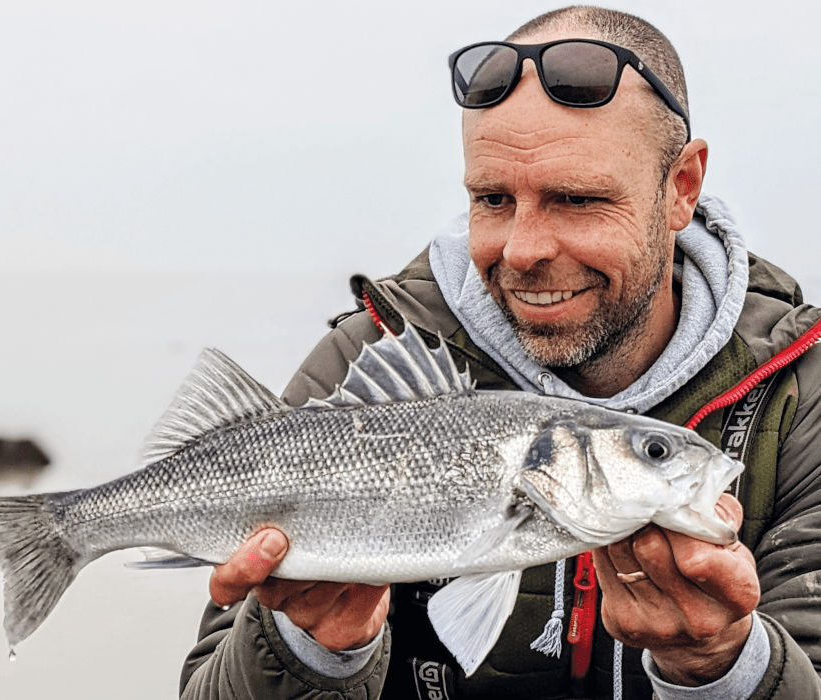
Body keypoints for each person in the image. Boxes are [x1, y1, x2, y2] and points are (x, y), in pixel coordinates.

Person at [180, 6, 821, 699]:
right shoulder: (369, 361)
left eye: (576, 199)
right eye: (491, 198)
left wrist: (722, 666)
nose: (522, 249)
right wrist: (310, 648)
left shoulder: (801, 395)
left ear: (681, 189)